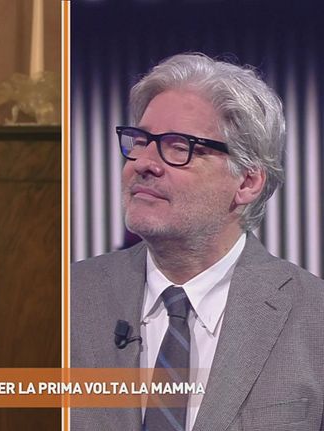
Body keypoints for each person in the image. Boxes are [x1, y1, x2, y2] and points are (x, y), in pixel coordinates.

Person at [71, 53, 324, 431]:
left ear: (247, 182)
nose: (143, 163)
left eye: (178, 146)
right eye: (140, 140)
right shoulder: (68, 299)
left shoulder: (314, 316)